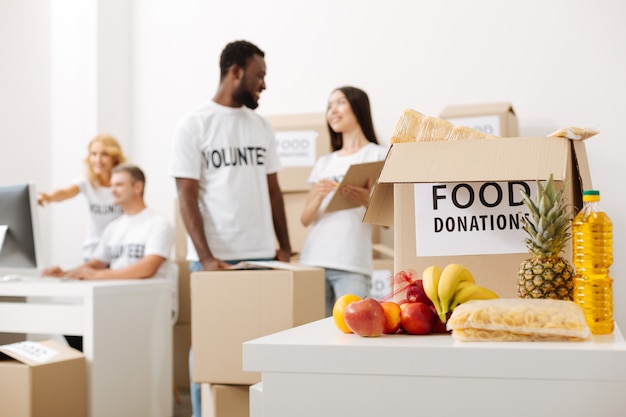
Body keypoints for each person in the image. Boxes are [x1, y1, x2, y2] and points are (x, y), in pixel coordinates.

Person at [169, 40, 291, 417]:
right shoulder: (194, 125)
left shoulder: (262, 127)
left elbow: (273, 190)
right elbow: (186, 197)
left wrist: (284, 248)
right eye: (259, 76)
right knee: (210, 349)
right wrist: (206, 258)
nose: (264, 85)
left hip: (261, 256)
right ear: (235, 71)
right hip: (215, 261)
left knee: (265, 350)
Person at [42, 164, 175, 349]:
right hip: (117, 301)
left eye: (119, 185)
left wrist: (97, 276)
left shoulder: (158, 224)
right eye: (111, 185)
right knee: (67, 318)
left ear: (138, 187)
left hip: (146, 303)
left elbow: (148, 268)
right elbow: (97, 262)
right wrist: (65, 273)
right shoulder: (114, 227)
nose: (112, 190)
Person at [299, 86, 388, 317]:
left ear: (358, 107)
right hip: (313, 261)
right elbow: (305, 219)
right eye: (329, 106)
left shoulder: (378, 155)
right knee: (313, 338)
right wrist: (319, 196)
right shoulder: (325, 162)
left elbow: (388, 221)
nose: (332, 111)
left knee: (352, 334)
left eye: (339, 103)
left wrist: (366, 200)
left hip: (351, 264)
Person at [38, 134, 127, 260]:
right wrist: (49, 197)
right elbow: (66, 192)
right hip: (94, 251)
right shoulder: (86, 181)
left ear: (115, 157)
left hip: (119, 250)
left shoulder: (124, 181)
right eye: (93, 154)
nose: (97, 159)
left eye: (104, 154)